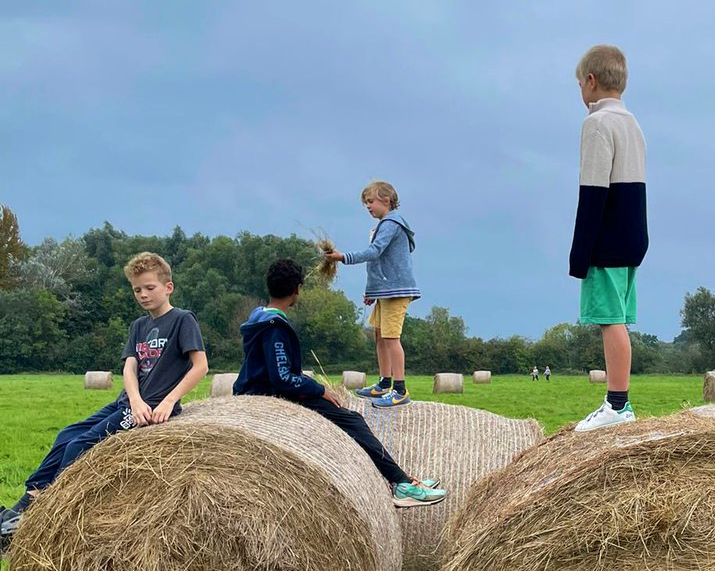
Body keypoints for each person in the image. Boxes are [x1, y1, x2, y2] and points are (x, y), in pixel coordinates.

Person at [0, 252, 208, 541]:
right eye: (137, 290)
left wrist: (168, 402)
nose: (143, 295)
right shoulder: (139, 326)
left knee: (78, 447)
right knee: (65, 436)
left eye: (150, 288)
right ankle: (27, 501)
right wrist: (134, 399)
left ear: (168, 287)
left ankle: (45, 517)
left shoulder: (182, 320)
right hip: (130, 403)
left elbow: (201, 367)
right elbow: (130, 366)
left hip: (154, 408)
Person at [233, 259, 445, 506]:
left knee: (347, 418)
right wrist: (319, 389)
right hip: (268, 396)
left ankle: (402, 478)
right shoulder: (274, 328)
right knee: (352, 421)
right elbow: (282, 378)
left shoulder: (259, 317)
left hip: (257, 390)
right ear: (298, 289)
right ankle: (401, 485)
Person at [570, 44, 649, 432]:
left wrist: (580, 252)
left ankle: (617, 404)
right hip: (633, 236)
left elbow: (593, 192)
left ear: (590, 80)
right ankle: (620, 401)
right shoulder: (632, 123)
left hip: (608, 238)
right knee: (617, 319)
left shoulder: (597, 124)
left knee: (610, 320)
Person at [324, 180, 419, 408]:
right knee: (379, 335)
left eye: (370, 201)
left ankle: (400, 389)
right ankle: (384, 383)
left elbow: (374, 253)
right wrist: (372, 291)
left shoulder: (391, 223)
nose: (367, 206)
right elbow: (380, 263)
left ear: (386, 200)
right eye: (365, 203)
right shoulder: (384, 225)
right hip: (386, 290)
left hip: (397, 291)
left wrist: (343, 257)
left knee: (391, 338)